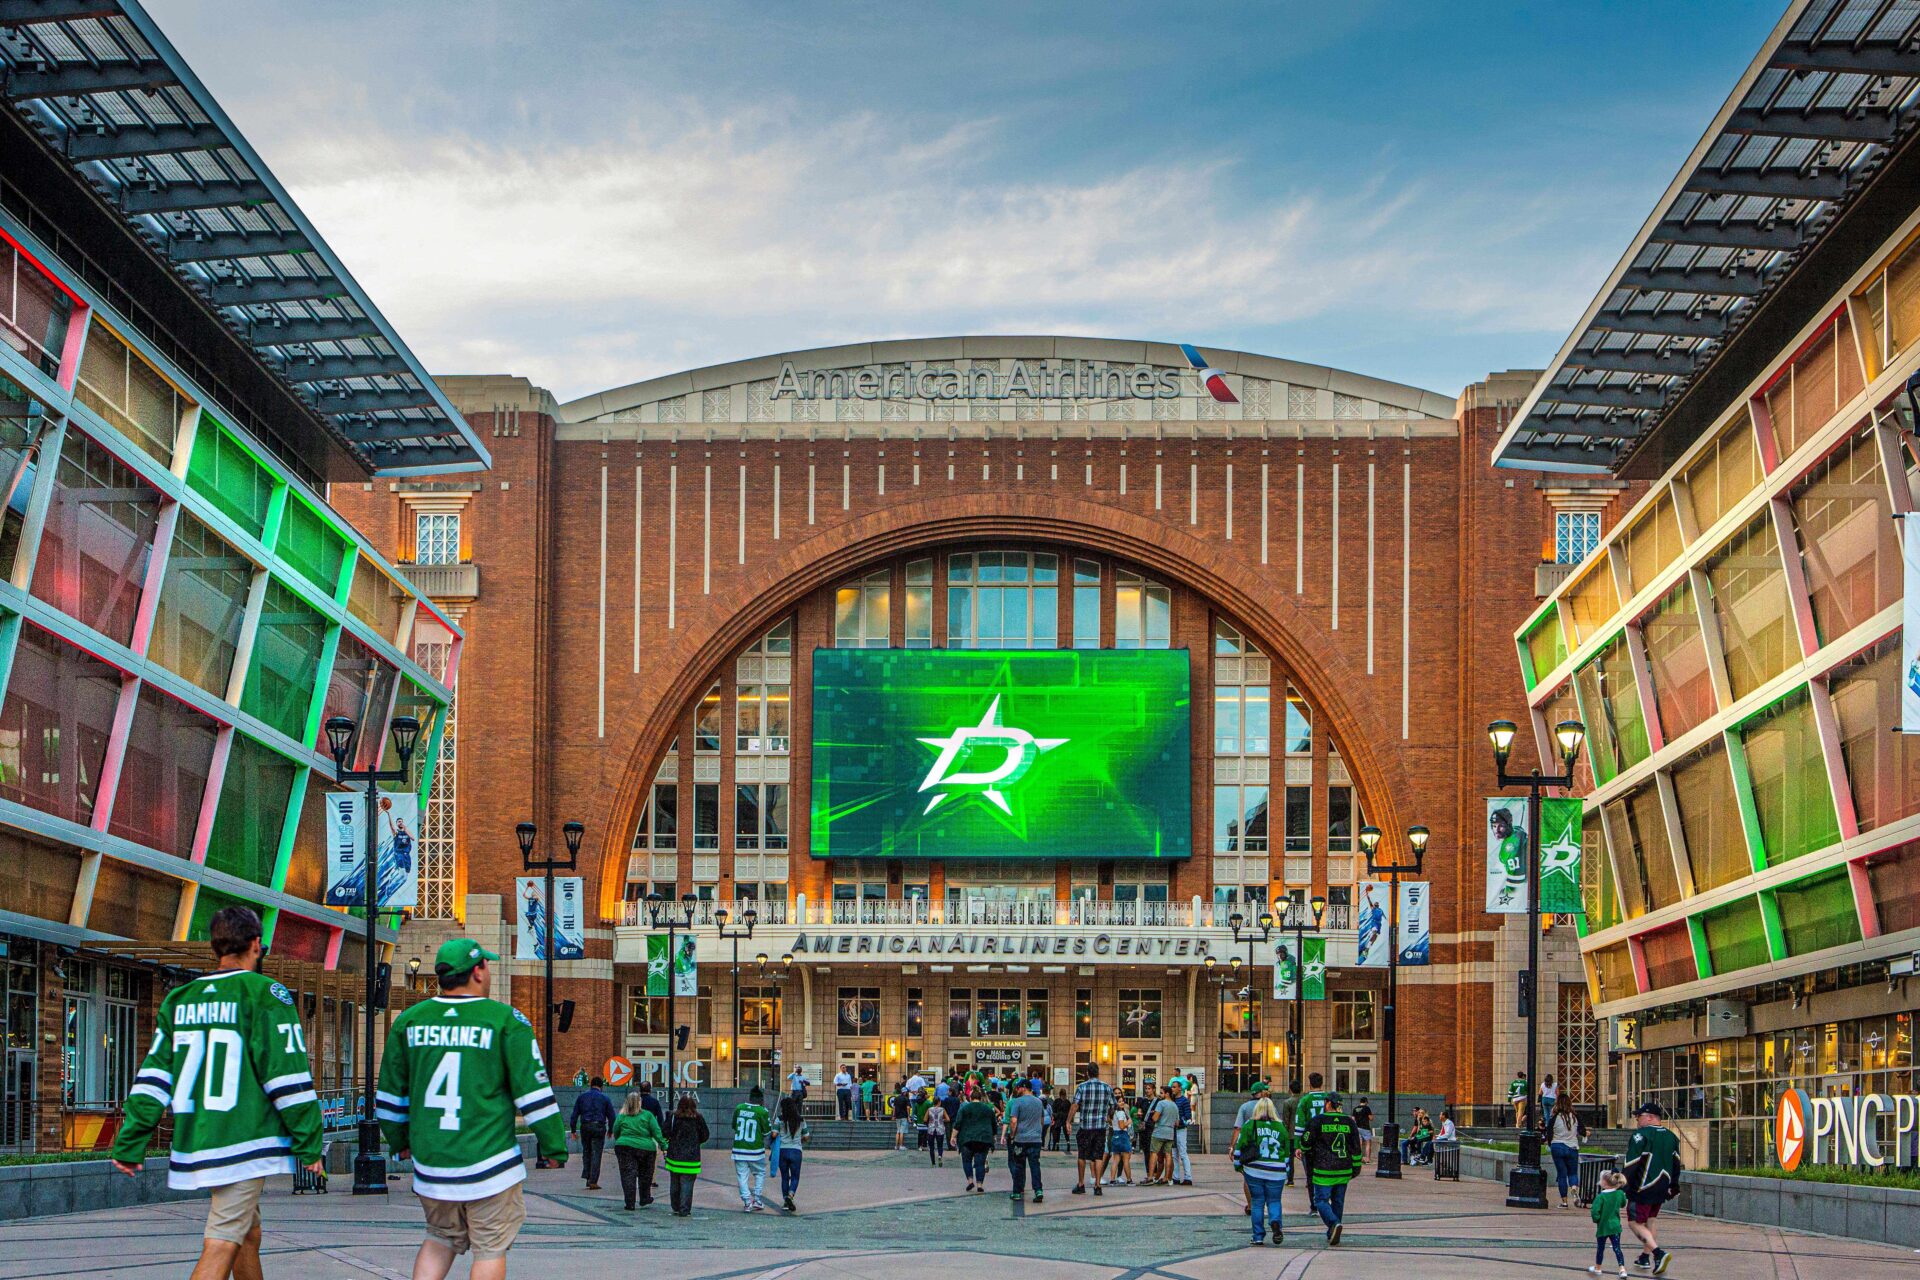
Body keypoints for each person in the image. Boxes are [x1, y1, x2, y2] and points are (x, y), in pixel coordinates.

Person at [110, 906, 324, 1280]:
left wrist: (131, 1140)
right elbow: (287, 1075)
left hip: (199, 1138)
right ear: (256, 944)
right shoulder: (265, 994)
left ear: (216, 947)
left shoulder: (180, 999)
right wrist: (309, 1143)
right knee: (222, 1241)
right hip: (244, 1138)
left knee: (247, 1233)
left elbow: (154, 1078)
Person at [375, 938, 567, 1280]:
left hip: (433, 1165)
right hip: (489, 1162)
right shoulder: (505, 1021)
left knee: (439, 1238)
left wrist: (400, 1141)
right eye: (487, 965)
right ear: (478, 972)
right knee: (490, 1247)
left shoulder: (409, 1021)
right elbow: (534, 1095)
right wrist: (554, 1147)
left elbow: (389, 1099)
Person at [1621, 1101, 1681, 1275]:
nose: (1637, 1120)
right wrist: (1673, 1185)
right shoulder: (1672, 1137)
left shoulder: (1641, 1135)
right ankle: (1644, 1257)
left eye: (1639, 1116)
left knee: (1634, 1222)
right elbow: (1676, 1164)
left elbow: (1632, 1162)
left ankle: (1658, 1253)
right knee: (1651, 1219)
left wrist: (1623, 1184)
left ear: (1650, 1117)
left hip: (1643, 1186)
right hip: (1663, 1185)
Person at [1300, 1091, 1363, 1246]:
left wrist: (1304, 1151)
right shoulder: (1349, 1122)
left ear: (1327, 1103)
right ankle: (1333, 1232)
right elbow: (1356, 1147)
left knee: (1320, 1200)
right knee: (1338, 1201)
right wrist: (1356, 1167)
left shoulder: (1317, 1121)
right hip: (1344, 1169)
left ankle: (1334, 1223)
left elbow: (1305, 1142)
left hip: (1323, 1169)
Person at [1233, 1095, 1293, 1246]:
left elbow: (1240, 1146)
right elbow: (1286, 1152)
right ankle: (1275, 1222)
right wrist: (1286, 1169)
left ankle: (1258, 1236)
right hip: (1277, 1170)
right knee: (1274, 1200)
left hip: (1254, 1170)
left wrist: (1237, 1165)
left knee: (1257, 1202)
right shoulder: (1281, 1127)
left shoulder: (1250, 1125)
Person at [1068, 1064, 1117, 1195]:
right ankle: (1097, 1185)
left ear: (1087, 1073)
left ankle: (1081, 1184)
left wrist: (1068, 1121)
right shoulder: (1107, 1087)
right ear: (1098, 1073)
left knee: (1082, 1155)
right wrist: (1109, 1115)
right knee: (1098, 1156)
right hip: (1100, 1127)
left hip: (1085, 1127)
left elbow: (1075, 1105)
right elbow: (1113, 1105)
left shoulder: (1082, 1087)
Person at [612, 1090, 663, 1211]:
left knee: (628, 1174)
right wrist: (664, 1145)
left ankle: (630, 1202)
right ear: (639, 1102)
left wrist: (622, 1140)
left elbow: (616, 1131)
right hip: (646, 1148)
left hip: (624, 1147)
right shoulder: (648, 1115)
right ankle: (645, 1198)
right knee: (646, 1174)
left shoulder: (622, 1116)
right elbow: (656, 1132)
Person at [664, 1093, 710, 1216]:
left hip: (674, 1156)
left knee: (674, 1182)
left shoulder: (673, 1116)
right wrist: (696, 1142)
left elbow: (665, 1132)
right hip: (692, 1157)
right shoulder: (698, 1118)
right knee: (687, 1183)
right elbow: (705, 1135)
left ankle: (675, 1206)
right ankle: (684, 1209)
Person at [730, 1085, 773, 1211]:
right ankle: (757, 1200)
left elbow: (734, 1126)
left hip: (739, 1148)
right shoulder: (762, 1111)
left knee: (742, 1176)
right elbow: (766, 1132)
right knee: (759, 1173)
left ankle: (747, 1201)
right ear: (761, 1100)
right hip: (755, 1150)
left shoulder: (739, 1108)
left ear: (750, 1098)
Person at [1004, 1079, 1047, 1203]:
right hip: (1035, 1139)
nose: (1017, 1090)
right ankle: (1038, 1190)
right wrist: (1039, 1133)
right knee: (1035, 1165)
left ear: (1023, 1087)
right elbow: (1042, 1120)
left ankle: (1017, 1192)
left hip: (1021, 1139)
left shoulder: (1017, 1102)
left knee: (1019, 1166)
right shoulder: (1039, 1102)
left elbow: (1013, 1121)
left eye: (1018, 1087)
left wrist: (1012, 1135)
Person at [570, 1074, 616, 1190]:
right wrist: (611, 1130)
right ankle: (593, 1181)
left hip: (585, 1127)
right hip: (599, 1127)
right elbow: (612, 1116)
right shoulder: (605, 1098)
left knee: (586, 1152)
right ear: (601, 1086)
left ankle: (587, 1177)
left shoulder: (582, 1097)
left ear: (591, 1085)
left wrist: (573, 1130)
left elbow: (574, 1115)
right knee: (596, 1153)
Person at [1231, 1080, 1271, 1209]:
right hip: (1266, 1144)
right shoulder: (1269, 1106)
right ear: (1261, 1092)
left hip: (1248, 1147)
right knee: (1266, 1176)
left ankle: (1250, 1205)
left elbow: (1238, 1128)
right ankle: (1262, 1203)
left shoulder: (1244, 1107)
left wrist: (1232, 1147)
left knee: (1248, 1177)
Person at [954, 1089, 997, 1192]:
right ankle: (979, 1185)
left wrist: (953, 1136)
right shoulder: (988, 1109)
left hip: (967, 1138)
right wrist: (994, 1136)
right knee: (980, 1163)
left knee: (967, 1161)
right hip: (983, 1139)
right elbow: (994, 1124)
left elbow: (958, 1123)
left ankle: (970, 1181)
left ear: (970, 1098)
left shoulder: (964, 1108)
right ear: (981, 1098)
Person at [1589, 1168, 1629, 1276]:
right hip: (1615, 1226)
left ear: (1604, 1182)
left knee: (1600, 1248)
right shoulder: (1619, 1193)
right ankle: (1622, 1269)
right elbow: (1623, 1204)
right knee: (1617, 1248)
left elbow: (1595, 1212)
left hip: (1603, 1227)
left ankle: (1598, 1268)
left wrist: (1597, 1219)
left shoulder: (1600, 1197)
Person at [1549, 1094, 1585, 1209]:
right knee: (1573, 1173)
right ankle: (1574, 1188)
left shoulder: (1554, 1117)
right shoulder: (1575, 1116)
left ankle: (1564, 1202)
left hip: (1557, 1146)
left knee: (1562, 1175)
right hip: (1572, 1147)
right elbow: (1582, 1130)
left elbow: (1549, 1133)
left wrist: (1550, 1144)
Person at [775, 1094, 809, 1213]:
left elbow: (774, 1134)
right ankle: (790, 1195)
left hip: (783, 1151)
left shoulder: (779, 1119)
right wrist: (799, 1140)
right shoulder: (801, 1120)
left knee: (785, 1177)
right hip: (796, 1151)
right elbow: (806, 1136)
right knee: (795, 1177)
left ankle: (785, 1201)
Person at [1146, 1085, 1181, 1185]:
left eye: (1162, 1093)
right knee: (1168, 1154)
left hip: (1159, 1131)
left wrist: (1155, 1114)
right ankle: (1166, 1178)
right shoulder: (1174, 1105)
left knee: (1153, 1153)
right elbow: (1177, 1123)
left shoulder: (1161, 1103)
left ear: (1167, 1094)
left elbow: (1155, 1118)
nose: (1160, 1095)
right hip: (1170, 1132)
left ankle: (1150, 1177)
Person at [637, 1082, 667, 1196]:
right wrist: (661, 1133)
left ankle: (639, 1177)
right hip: (651, 1133)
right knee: (653, 1158)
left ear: (640, 1090)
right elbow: (660, 1119)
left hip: (637, 1132)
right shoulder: (654, 1102)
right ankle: (652, 1180)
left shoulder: (636, 1102)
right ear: (650, 1090)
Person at [1168, 1078, 1194, 1185]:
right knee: (1174, 1154)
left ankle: (1188, 1177)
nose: (1172, 1089)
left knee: (1183, 1153)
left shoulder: (1184, 1100)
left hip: (1181, 1130)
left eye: (1174, 1087)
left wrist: (1181, 1121)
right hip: (1172, 1130)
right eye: (1172, 1087)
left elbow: (1188, 1116)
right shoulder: (1172, 1100)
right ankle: (1176, 1177)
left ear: (1180, 1088)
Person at [1107, 1098, 1135, 1185]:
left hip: (1115, 1135)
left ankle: (1112, 1180)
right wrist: (1129, 1122)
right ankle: (1129, 1180)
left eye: (1123, 1101)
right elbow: (1122, 1126)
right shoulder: (1121, 1113)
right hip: (1122, 1136)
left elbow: (1111, 1124)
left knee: (1115, 1160)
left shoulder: (1112, 1113)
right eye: (1119, 1102)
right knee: (1126, 1159)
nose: (1122, 1102)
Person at [924, 1095, 950, 1166]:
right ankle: (939, 1156)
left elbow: (925, 1119)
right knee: (940, 1145)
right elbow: (948, 1119)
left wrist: (930, 1121)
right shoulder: (942, 1109)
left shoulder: (929, 1109)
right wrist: (942, 1120)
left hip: (931, 1129)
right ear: (939, 1102)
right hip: (940, 1129)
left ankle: (933, 1163)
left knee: (931, 1147)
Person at [1049, 1087, 1072, 1152]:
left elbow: (1053, 1110)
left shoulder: (1057, 1101)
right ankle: (1068, 1143)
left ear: (1059, 1094)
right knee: (1066, 1132)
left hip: (1058, 1118)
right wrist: (1069, 1120)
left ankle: (1056, 1145)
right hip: (1065, 1118)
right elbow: (1070, 1111)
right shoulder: (1067, 1102)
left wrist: (1054, 1116)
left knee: (1057, 1132)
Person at [1352, 1097, 1375, 1162]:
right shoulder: (1367, 1108)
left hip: (1357, 1128)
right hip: (1365, 1128)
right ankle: (1367, 1159)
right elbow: (1371, 1118)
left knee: (1359, 1143)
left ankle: (1360, 1158)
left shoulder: (1355, 1109)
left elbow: (1353, 1119)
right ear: (1366, 1102)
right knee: (1368, 1143)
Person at [893, 1081, 912, 1150]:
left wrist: (893, 1116)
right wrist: (908, 1117)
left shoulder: (896, 1098)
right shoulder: (906, 1099)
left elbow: (894, 1107)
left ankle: (896, 1146)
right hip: (904, 1117)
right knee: (902, 1132)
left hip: (897, 1116)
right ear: (905, 1092)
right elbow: (908, 1108)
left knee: (898, 1131)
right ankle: (901, 1145)